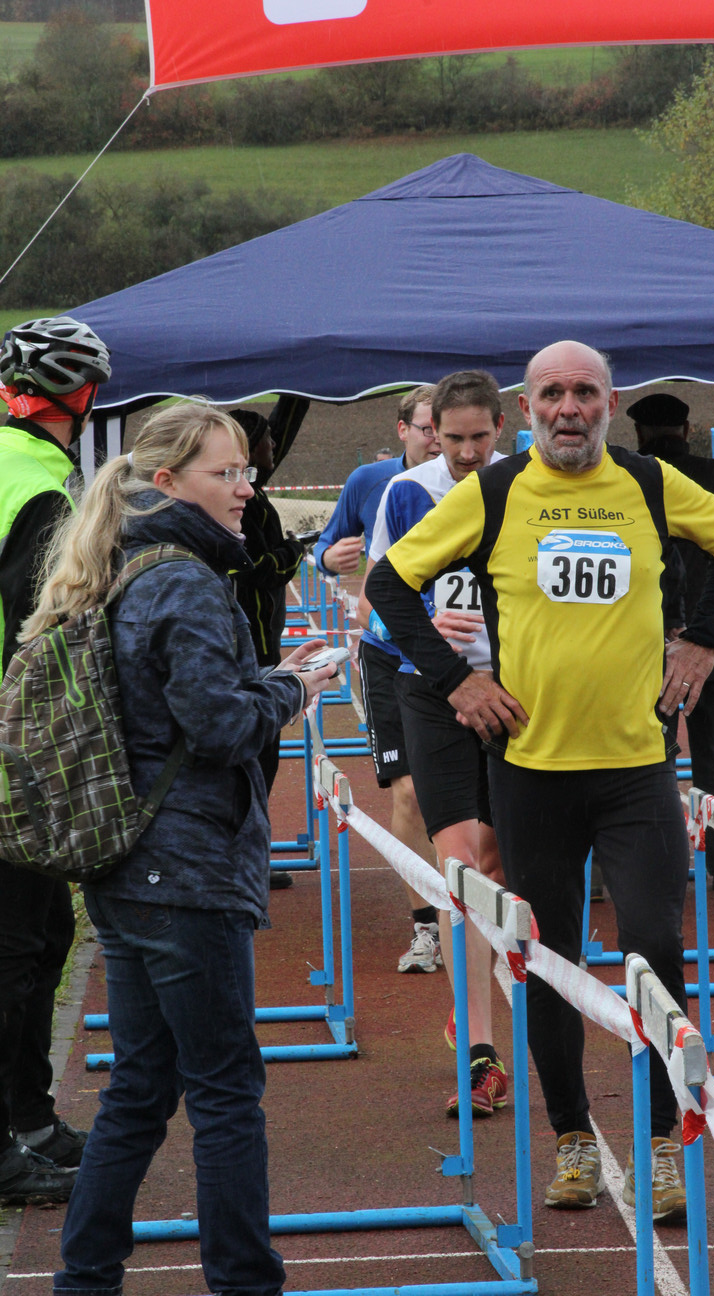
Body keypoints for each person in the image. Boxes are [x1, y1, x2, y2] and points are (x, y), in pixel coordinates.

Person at [366, 341, 714, 1221]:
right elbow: (390, 582)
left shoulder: (648, 483)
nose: (569, 408)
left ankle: (663, 1141)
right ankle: (573, 1137)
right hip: (532, 775)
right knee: (547, 962)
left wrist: (702, 638)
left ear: (609, 403)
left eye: (585, 392)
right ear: (527, 408)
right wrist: (455, 681)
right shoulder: (496, 491)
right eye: (552, 394)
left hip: (635, 772)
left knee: (654, 948)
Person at [20, 402, 338, 1296]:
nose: (246, 490)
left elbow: (174, 709)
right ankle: (244, 1282)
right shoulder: (186, 581)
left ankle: (86, 1277)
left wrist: (266, 681)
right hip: (184, 871)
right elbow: (221, 725)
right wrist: (293, 687)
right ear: (167, 483)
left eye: (247, 472)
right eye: (225, 473)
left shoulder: (122, 564)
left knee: (141, 1086)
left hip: (129, 865)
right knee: (226, 1094)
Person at [360, 370, 508, 1118]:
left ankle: (480, 987)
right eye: (453, 439)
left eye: (479, 437)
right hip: (432, 688)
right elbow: (374, 600)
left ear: (501, 429)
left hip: (515, 691)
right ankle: (482, 1054)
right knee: (460, 866)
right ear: (430, 432)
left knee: (498, 861)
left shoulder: (524, 485)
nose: (467, 452)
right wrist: (422, 624)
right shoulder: (405, 493)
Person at [0, 316, 112, 1207]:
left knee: (43, 938)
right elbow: (41, 632)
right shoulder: (39, 485)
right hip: (14, 748)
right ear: (83, 398)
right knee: (19, 946)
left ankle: (30, 1120)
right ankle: (11, 1141)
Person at [314, 387, 445, 973]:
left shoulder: (482, 483)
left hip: (467, 657)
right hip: (389, 653)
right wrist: (328, 559)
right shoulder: (370, 482)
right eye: (427, 428)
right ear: (402, 430)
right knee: (410, 791)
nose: (438, 440)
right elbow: (325, 545)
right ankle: (427, 928)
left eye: (447, 430)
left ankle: (480, 911)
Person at [625, 392, 714, 889]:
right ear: (687, 429)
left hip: (644, 639)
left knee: (639, 763)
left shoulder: (629, 477)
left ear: (639, 433)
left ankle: (644, 867)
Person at [229, 407, 305, 794]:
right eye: (266, 440)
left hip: (262, 646)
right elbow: (258, 568)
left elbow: (279, 433)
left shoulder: (251, 490)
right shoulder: (243, 504)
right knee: (256, 767)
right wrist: (294, 550)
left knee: (262, 765)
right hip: (252, 650)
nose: (274, 443)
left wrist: (299, 395)